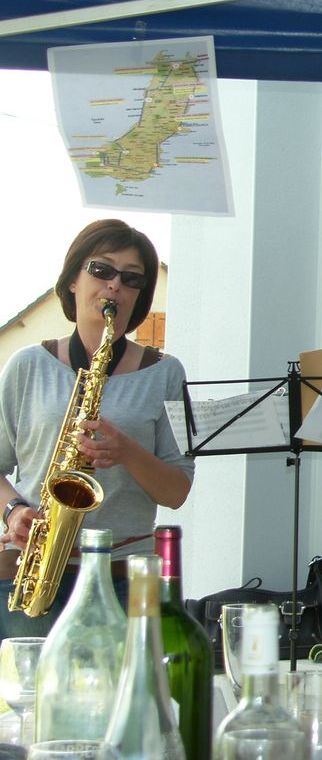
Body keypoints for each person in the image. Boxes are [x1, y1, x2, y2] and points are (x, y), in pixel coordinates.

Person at [0, 219, 195, 639]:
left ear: (139, 295)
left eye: (131, 279)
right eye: (101, 270)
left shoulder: (165, 373)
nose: (114, 287)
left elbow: (176, 491)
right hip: (30, 569)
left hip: (125, 575)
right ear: (73, 279)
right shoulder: (27, 365)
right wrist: (12, 510)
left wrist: (126, 450)